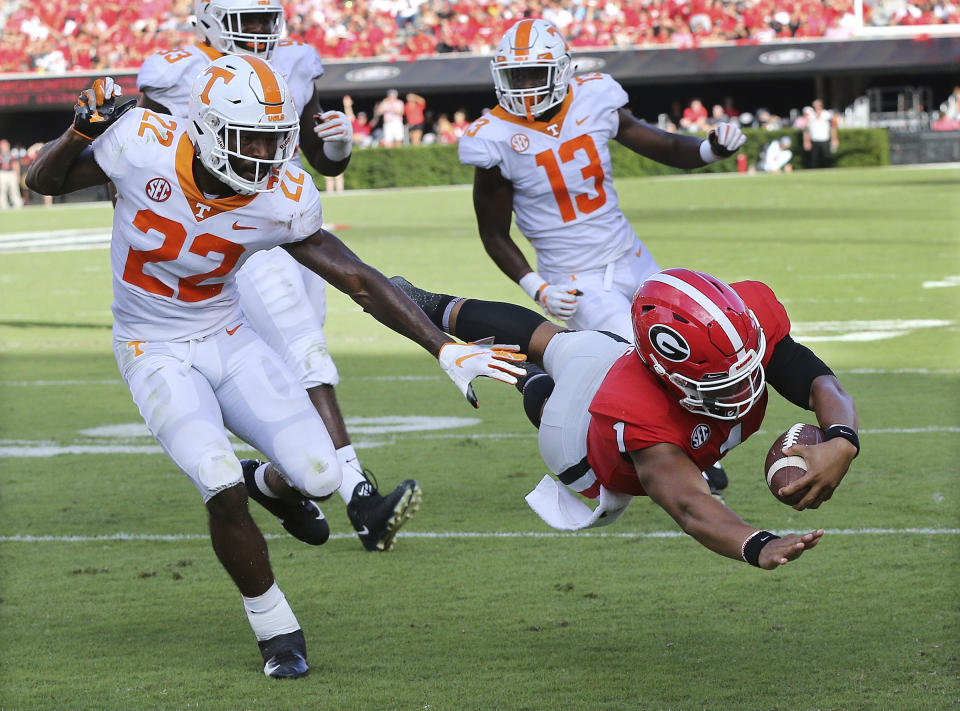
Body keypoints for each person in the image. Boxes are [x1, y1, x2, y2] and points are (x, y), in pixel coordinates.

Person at [25, 66, 525, 679]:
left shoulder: (279, 194)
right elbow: (42, 179)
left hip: (230, 337)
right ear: (206, 129)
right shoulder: (143, 142)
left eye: (273, 138)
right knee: (214, 475)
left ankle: (266, 485)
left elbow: (359, 279)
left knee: (320, 477)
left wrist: (442, 347)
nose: (264, 154)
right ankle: (275, 626)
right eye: (250, 138)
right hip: (151, 346)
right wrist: (79, 133)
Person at [136, 0, 415, 551]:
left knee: (300, 360)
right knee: (308, 353)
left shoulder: (294, 62)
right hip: (233, 235)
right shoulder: (175, 73)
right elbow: (141, 160)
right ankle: (360, 496)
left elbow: (319, 159)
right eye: (249, 22)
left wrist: (337, 147)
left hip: (291, 225)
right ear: (212, 20)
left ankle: (273, 480)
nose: (262, 32)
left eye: (268, 20)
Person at [391, 267, 860, 569]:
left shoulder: (739, 331)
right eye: (722, 381)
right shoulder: (640, 415)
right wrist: (756, 543)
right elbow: (690, 505)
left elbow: (820, 381)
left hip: (623, 369)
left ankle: (435, 305)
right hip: (585, 453)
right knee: (555, 374)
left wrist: (842, 439)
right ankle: (452, 324)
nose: (746, 387)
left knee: (566, 344)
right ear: (668, 377)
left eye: (747, 367)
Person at [459, 19, 746, 340]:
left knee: (689, 337)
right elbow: (494, 234)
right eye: (516, 75)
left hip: (630, 255)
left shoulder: (593, 97)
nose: (525, 86)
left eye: (535, 74)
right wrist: (537, 288)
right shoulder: (492, 137)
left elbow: (667, 146)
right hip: (573, 279)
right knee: (634, 348)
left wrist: (712, 149)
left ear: (562, 70)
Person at [802, 99, 839, 169]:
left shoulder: (827, 115)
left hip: (825, 140)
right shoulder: (810, 116)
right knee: (814, 160)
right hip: (814, 140)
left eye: (818, 106)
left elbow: (833, 128)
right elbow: (806, 130)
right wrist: (806, 141)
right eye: (815, 107)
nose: (817, 108)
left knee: (827, 158)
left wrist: (834, 139)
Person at [0, 139, 23, 209]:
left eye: (5, 145)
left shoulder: (12, 154)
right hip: (2, 173)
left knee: (14, 190)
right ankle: (3, 206)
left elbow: (16, 165)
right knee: (2, 190)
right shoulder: (0, 155)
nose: (4, 147)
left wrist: (18, 175)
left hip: (11, 173)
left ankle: (18, 204)